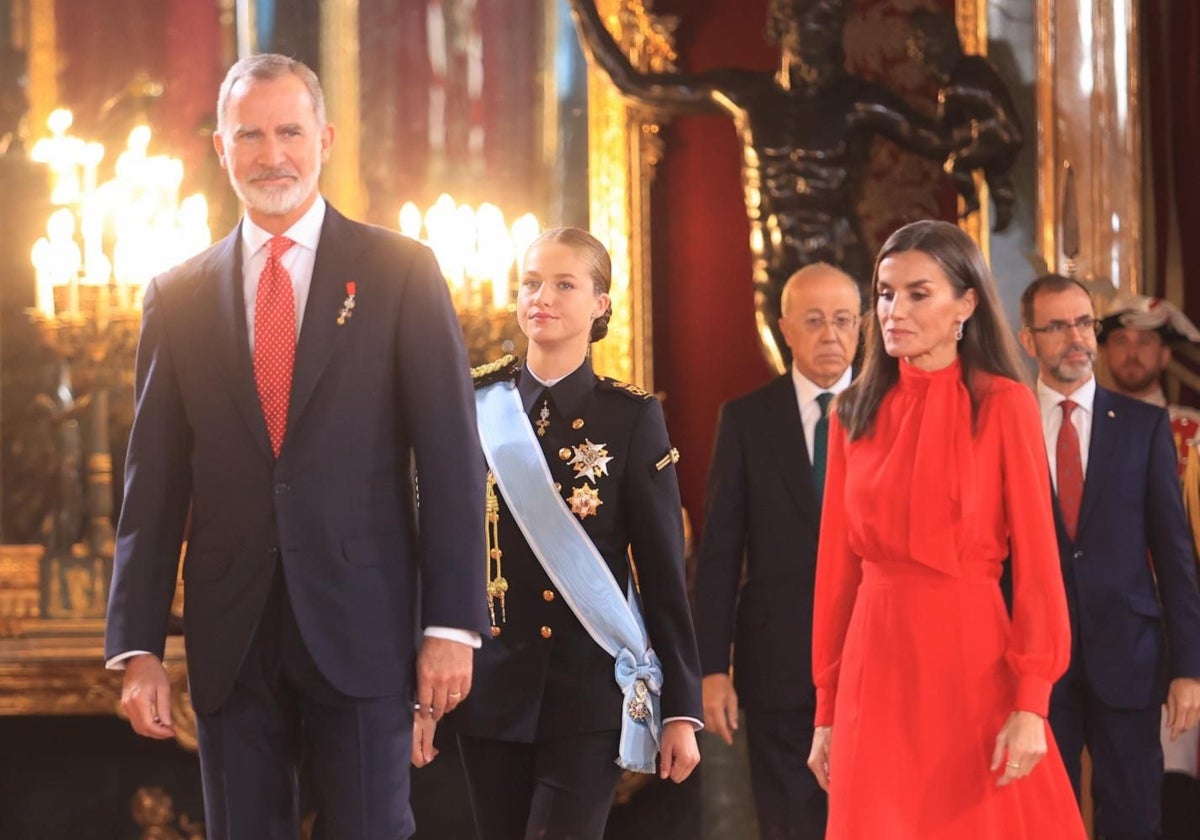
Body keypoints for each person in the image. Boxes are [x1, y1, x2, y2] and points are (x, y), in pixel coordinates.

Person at [104, 54, 488, 840]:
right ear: (221, 147)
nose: (271, 154)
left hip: (366, 629)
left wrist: (452, 624)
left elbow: (451, 462)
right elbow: (153, 486)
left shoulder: (400, 272)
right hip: (230, 637)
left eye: (289, 131)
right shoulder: (175, 297)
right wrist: (136, 645)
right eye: (250, 134)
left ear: (326, 138)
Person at [412, 227, 702, 840]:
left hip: (588, 690)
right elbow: (428, 551)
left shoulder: (630, 416)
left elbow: (662, 574)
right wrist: (414, 691)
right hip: (488, 687)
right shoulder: (471, 402)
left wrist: (681, 707)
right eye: (531, 282)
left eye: (564, 284)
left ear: (600, 303)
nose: (541, 297)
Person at [807, 220, 1086, 838]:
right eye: (884, 293)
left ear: (966, 303)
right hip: (872, 670)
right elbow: (836, 574)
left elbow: (1041, 563)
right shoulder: (851, 414)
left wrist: (1031, 701)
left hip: (974, 665)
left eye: (917, 293)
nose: (893, 310)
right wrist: (827, 710)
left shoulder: (1005, 404)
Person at [567, 0, 1021, 371]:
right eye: (813, 17)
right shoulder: (747, 95)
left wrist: (975, 85)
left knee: (861, 394)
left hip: (844, 261)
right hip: (776, 266)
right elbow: (634, 85)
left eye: (831, 20)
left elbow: (944, 142)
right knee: (792, 396)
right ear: (784, 22)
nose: (823, 30)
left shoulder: (856, 101)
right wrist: (582, 9)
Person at [1018, 274, 1200, 840]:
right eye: (1056, 326)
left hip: (1130, 658)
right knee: (1045, 819)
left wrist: (1190, 668)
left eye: (1082, 323)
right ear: (1029, 341)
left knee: (1133, 816)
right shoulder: (1009, 424)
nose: (1075, 338)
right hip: (1035, 667)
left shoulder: (1144, 427)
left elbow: (1175, 555)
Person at [693, 262, 861, 840]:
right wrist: (713, 667)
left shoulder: (892, 412)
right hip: (779, 665)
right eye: (814, 321)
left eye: (843, 320)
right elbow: (718, 552)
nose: (830, 335)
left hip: (876, 656)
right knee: (789, 823)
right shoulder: (746, 420)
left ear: (863, 326)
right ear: (785, 329)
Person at [1098, 290, 1200, 839]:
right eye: (1119, 341)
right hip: (1113, 627)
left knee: (1175, 780)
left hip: (1181, 620)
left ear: (1165, 356)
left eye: (1145, 343)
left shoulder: (1193, 435)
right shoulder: (1082, 432)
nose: (1132, 353)